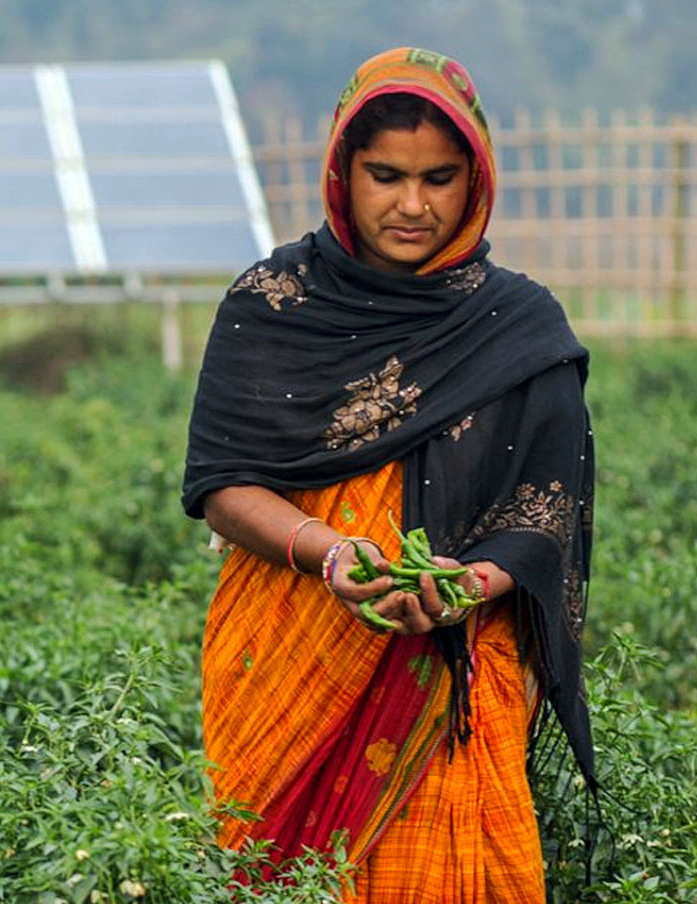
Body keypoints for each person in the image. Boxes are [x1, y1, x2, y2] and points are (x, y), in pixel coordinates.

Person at [180, 47, 596, 902]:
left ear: (475, 180)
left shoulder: (518, 325)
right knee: (274, 874)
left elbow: (545, 510)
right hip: (293, 640)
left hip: (453, 663)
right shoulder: (272, 305)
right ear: (342, 171)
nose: (412, 205)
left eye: (440, 178)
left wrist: (468, 583)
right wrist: (334, 556)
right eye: (386, 176)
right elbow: (224, 482)